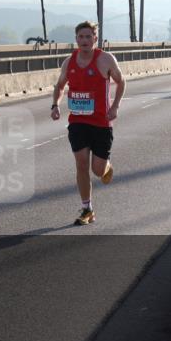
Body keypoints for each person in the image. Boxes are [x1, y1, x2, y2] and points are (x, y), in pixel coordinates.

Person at [51, 21, 126, 226]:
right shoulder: (69, 62)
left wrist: (115, 107)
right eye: (80, 37)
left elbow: (121, 82)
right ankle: (87, 209)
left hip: (101, 123)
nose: (84, 41)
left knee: (97, 170)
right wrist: (55, 105)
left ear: (95, 38)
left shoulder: (105, 59)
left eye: (88, 36)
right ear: (76, 40)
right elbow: (59, 86)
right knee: (81, 164)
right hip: (78, 122)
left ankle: (106, 166)